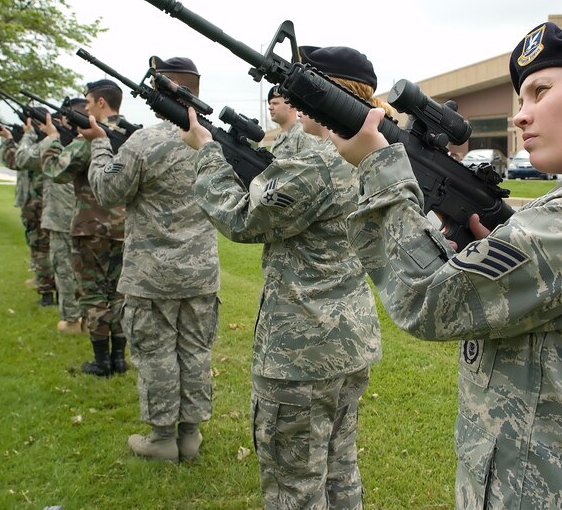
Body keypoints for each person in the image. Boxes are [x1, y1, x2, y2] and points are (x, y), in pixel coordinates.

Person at [330, 19, 562, 508]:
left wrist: (377, 168)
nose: (521, 117)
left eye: (540, 91)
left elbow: (425, 300)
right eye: (521, 100)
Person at [180, 45, 382, 509]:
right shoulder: (369, 150)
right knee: (338, 466)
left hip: (300, 351)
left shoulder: (319, 158)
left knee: (294, 483)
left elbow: (241, 219)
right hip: (348, 338)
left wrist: (208, 153)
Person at [84, 56, 220, 463]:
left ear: (165, 93)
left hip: (151, 274)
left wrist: (98, 146)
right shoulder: (211, 142)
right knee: (195, 351)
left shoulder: (144, 142)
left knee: (158, 353)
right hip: (200, 273)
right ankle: (190, 435)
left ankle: (162, 439)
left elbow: (108, 192)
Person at [41, 80, 129, 377]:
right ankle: (119, 357)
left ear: (101, 103)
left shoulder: (90, 136)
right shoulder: (133, 134)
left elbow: (56, 171)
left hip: (91, 227)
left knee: (93, 294)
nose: (86, 107)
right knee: (119, 293)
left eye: (89, 102)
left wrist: (53, 139)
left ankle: (101, 361)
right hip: (124, 228)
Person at [13, 102, 85, 334]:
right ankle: (85, 318)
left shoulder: (64, 142)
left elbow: (22, 159)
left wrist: (40, 136)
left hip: (63, 216)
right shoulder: (87, 141)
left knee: (64, 269)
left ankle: (73, 320)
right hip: (85, 217)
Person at [0, 120, 55, 307]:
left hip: (39, 204)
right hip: (42, 204)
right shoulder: (47, 144)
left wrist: (20, 137)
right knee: (44, 249)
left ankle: (47, 292)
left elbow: (16, 160)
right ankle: (49, 288)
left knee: (41, 248)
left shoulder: (42, 146)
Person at [266, 85, 317, 159]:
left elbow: (313, 166)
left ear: (291, 106)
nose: (270, 107)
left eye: (275, 103)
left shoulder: (303, 135)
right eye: (270, 104)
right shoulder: (279, 137)